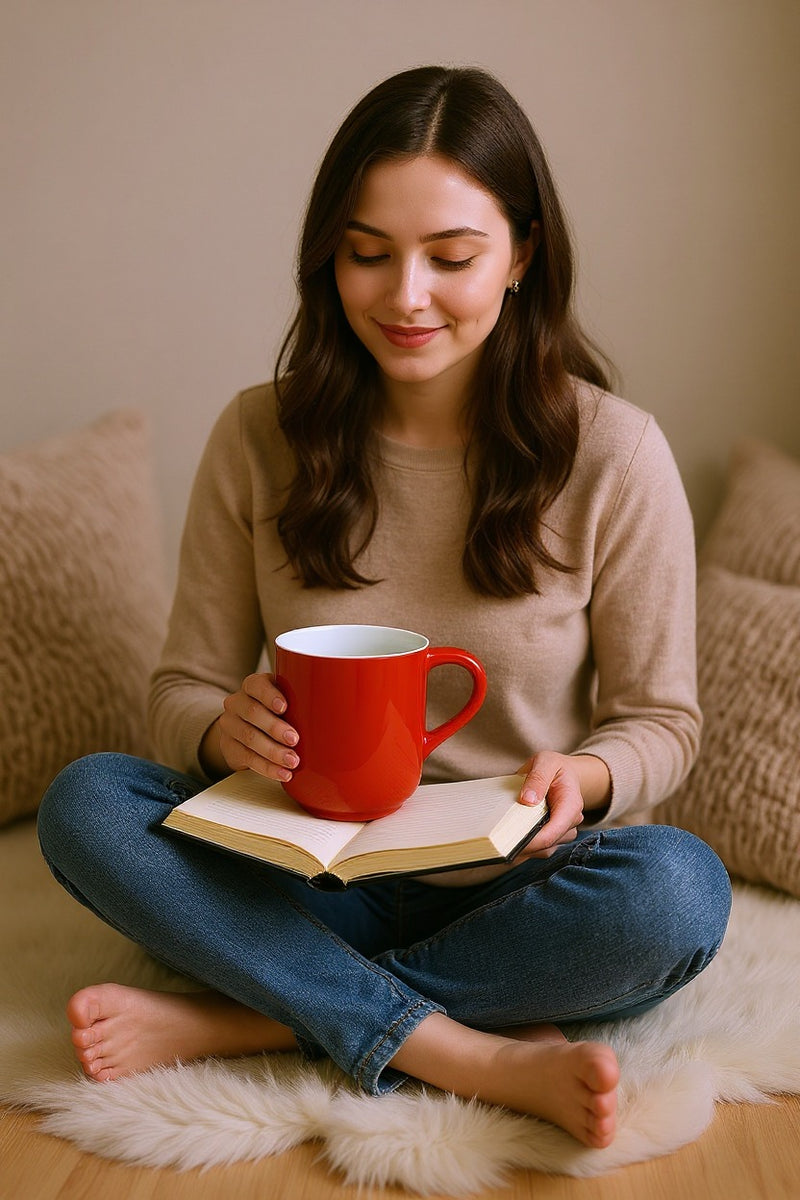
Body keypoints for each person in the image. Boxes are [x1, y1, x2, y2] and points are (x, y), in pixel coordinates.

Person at [37, 65, 731, 1150]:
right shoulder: (258, 436)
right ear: (330, 258)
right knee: (87, 802)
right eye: (367, 254)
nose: (405, 295)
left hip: (520, 893)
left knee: (677, 893)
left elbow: (662, 723)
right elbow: (179, 687)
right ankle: (462, 1047)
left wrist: (587, 776)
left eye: (450, 258)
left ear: (522, 254)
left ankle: (252, 1013)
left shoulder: (612, 453)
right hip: (300, 875)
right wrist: (220, 726)